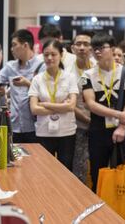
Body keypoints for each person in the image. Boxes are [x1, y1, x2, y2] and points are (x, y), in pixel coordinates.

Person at [81, 33, 125, 192]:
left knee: (121, 174)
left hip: (122, 130)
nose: (97, 52)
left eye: (101, 48)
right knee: (97, 173)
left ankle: (120, 214)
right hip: (98, 130)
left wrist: (122, 126)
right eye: (95, 49)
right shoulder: (88, 75)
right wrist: (119, 115)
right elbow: (91, 104)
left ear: (113, 49)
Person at [29, 39, 79, 171]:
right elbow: (34, 109)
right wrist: (60, 107)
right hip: (43, 132)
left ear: (61, 55)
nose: (50, 58)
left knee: (66, 171)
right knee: (43, 171)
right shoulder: (37, 79)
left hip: (66, 131)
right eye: (46, 54)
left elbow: (71, 106)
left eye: (53, 54)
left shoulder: (70, 77)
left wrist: (45, 104)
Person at [0, 29, 42, 143]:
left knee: (35, 159)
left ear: (25, 45)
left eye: (14, 45)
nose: (11, 49)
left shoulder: (41, 66)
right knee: (15, 158)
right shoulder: (10, 67)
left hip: (36, 125)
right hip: (14, 125)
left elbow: (47, 92)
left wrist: (28, 83)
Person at [68, 31, 95, 183]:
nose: (82, 48)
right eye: (78, 44)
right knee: (79, 166)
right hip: (77, 125)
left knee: (97, 164)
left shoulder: (98, 69)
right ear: (72, 48)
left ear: (91, 49)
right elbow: (67, 101)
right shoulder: (66, 71)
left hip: (99, 124)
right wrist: (86, 119)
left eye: (86, 44)